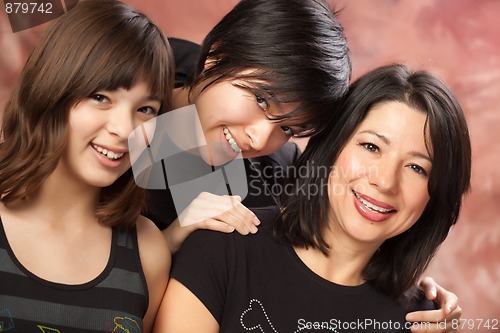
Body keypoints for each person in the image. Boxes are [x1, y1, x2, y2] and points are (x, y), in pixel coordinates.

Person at [141, 0, 461, 324]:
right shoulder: (118, 111)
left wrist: (403, 287)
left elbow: (323, 251)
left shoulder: (281, 172)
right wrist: (168, 240)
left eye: (287, 128)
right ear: (217, 56)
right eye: (262, 99)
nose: (260, 139)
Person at [0, 0, 173, 331]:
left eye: (146, 109)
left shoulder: (148, 250)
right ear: (51, 88)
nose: (124, 130)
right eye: (101, 97)